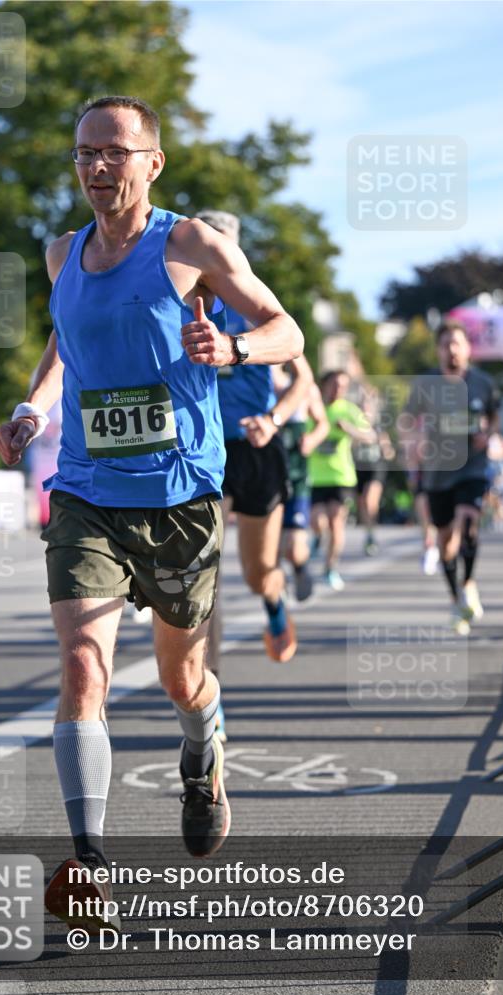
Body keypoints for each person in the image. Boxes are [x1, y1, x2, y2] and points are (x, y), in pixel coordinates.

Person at [0, 95, 303, 932]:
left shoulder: (191, 243)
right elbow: (63, 347)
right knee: (84, 668)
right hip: (88, 492)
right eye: (84, 153)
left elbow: (287, 330)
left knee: (179, 679)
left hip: (178, 498)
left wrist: (232, 347)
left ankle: (203, 756)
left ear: (151, 162)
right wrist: (34, 412)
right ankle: (89, 859)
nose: (97, 167)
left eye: (115, 153)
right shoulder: (62, 253)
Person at [195, 210, 314, 692]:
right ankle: (208, 696)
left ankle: (274, 603)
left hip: (256, 451)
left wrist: (273, 419)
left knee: (258, 573)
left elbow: (303, 382)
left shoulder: (258, 306)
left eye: (221, 246)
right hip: (203, 454)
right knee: (204, 579)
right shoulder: (180, 303)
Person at [404, 321, 499, 635]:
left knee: (469, 521)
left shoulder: (483, 383)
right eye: (446, 344)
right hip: (437, 471)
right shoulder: (426, 383)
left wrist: (488, 434)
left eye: (458, 343)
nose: (452, 349)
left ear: (468, 348)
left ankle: (469, 583)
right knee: (446, 545)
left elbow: (494, 417)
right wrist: (415, 441)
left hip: (473, 466)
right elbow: (407, 420)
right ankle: (456, 598)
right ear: (439, 349)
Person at [302, 370, 376, 591]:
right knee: (317, 521)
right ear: (324, 386)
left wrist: (350, 429)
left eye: (343, 386)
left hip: (342, 476)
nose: (338, 389)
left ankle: (330, 569)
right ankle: (317, 536)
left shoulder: (348, 410)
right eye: (335, 384)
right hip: (316, 477)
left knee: (336, 523)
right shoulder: (313, 409)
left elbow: (370, 436)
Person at [273, 367, 329, 597]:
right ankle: (276, 596)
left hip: (297, 474)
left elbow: (322, 423)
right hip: (268, 474)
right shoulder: (254, 380)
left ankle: (299, 566)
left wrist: (312, 439)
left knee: (295, 547)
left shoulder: (304, 386)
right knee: (271, 549)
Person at [352, 386, 394, 557]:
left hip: (376, 468)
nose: (365, 409)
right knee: (361, 503)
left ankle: (371, 533)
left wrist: (387, 450)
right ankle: (369, 534)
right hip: (358, 468)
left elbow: (389, 452)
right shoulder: (353, 425)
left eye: (368, 406)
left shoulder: (378, 427)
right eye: (363, 406)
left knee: (370, 501)